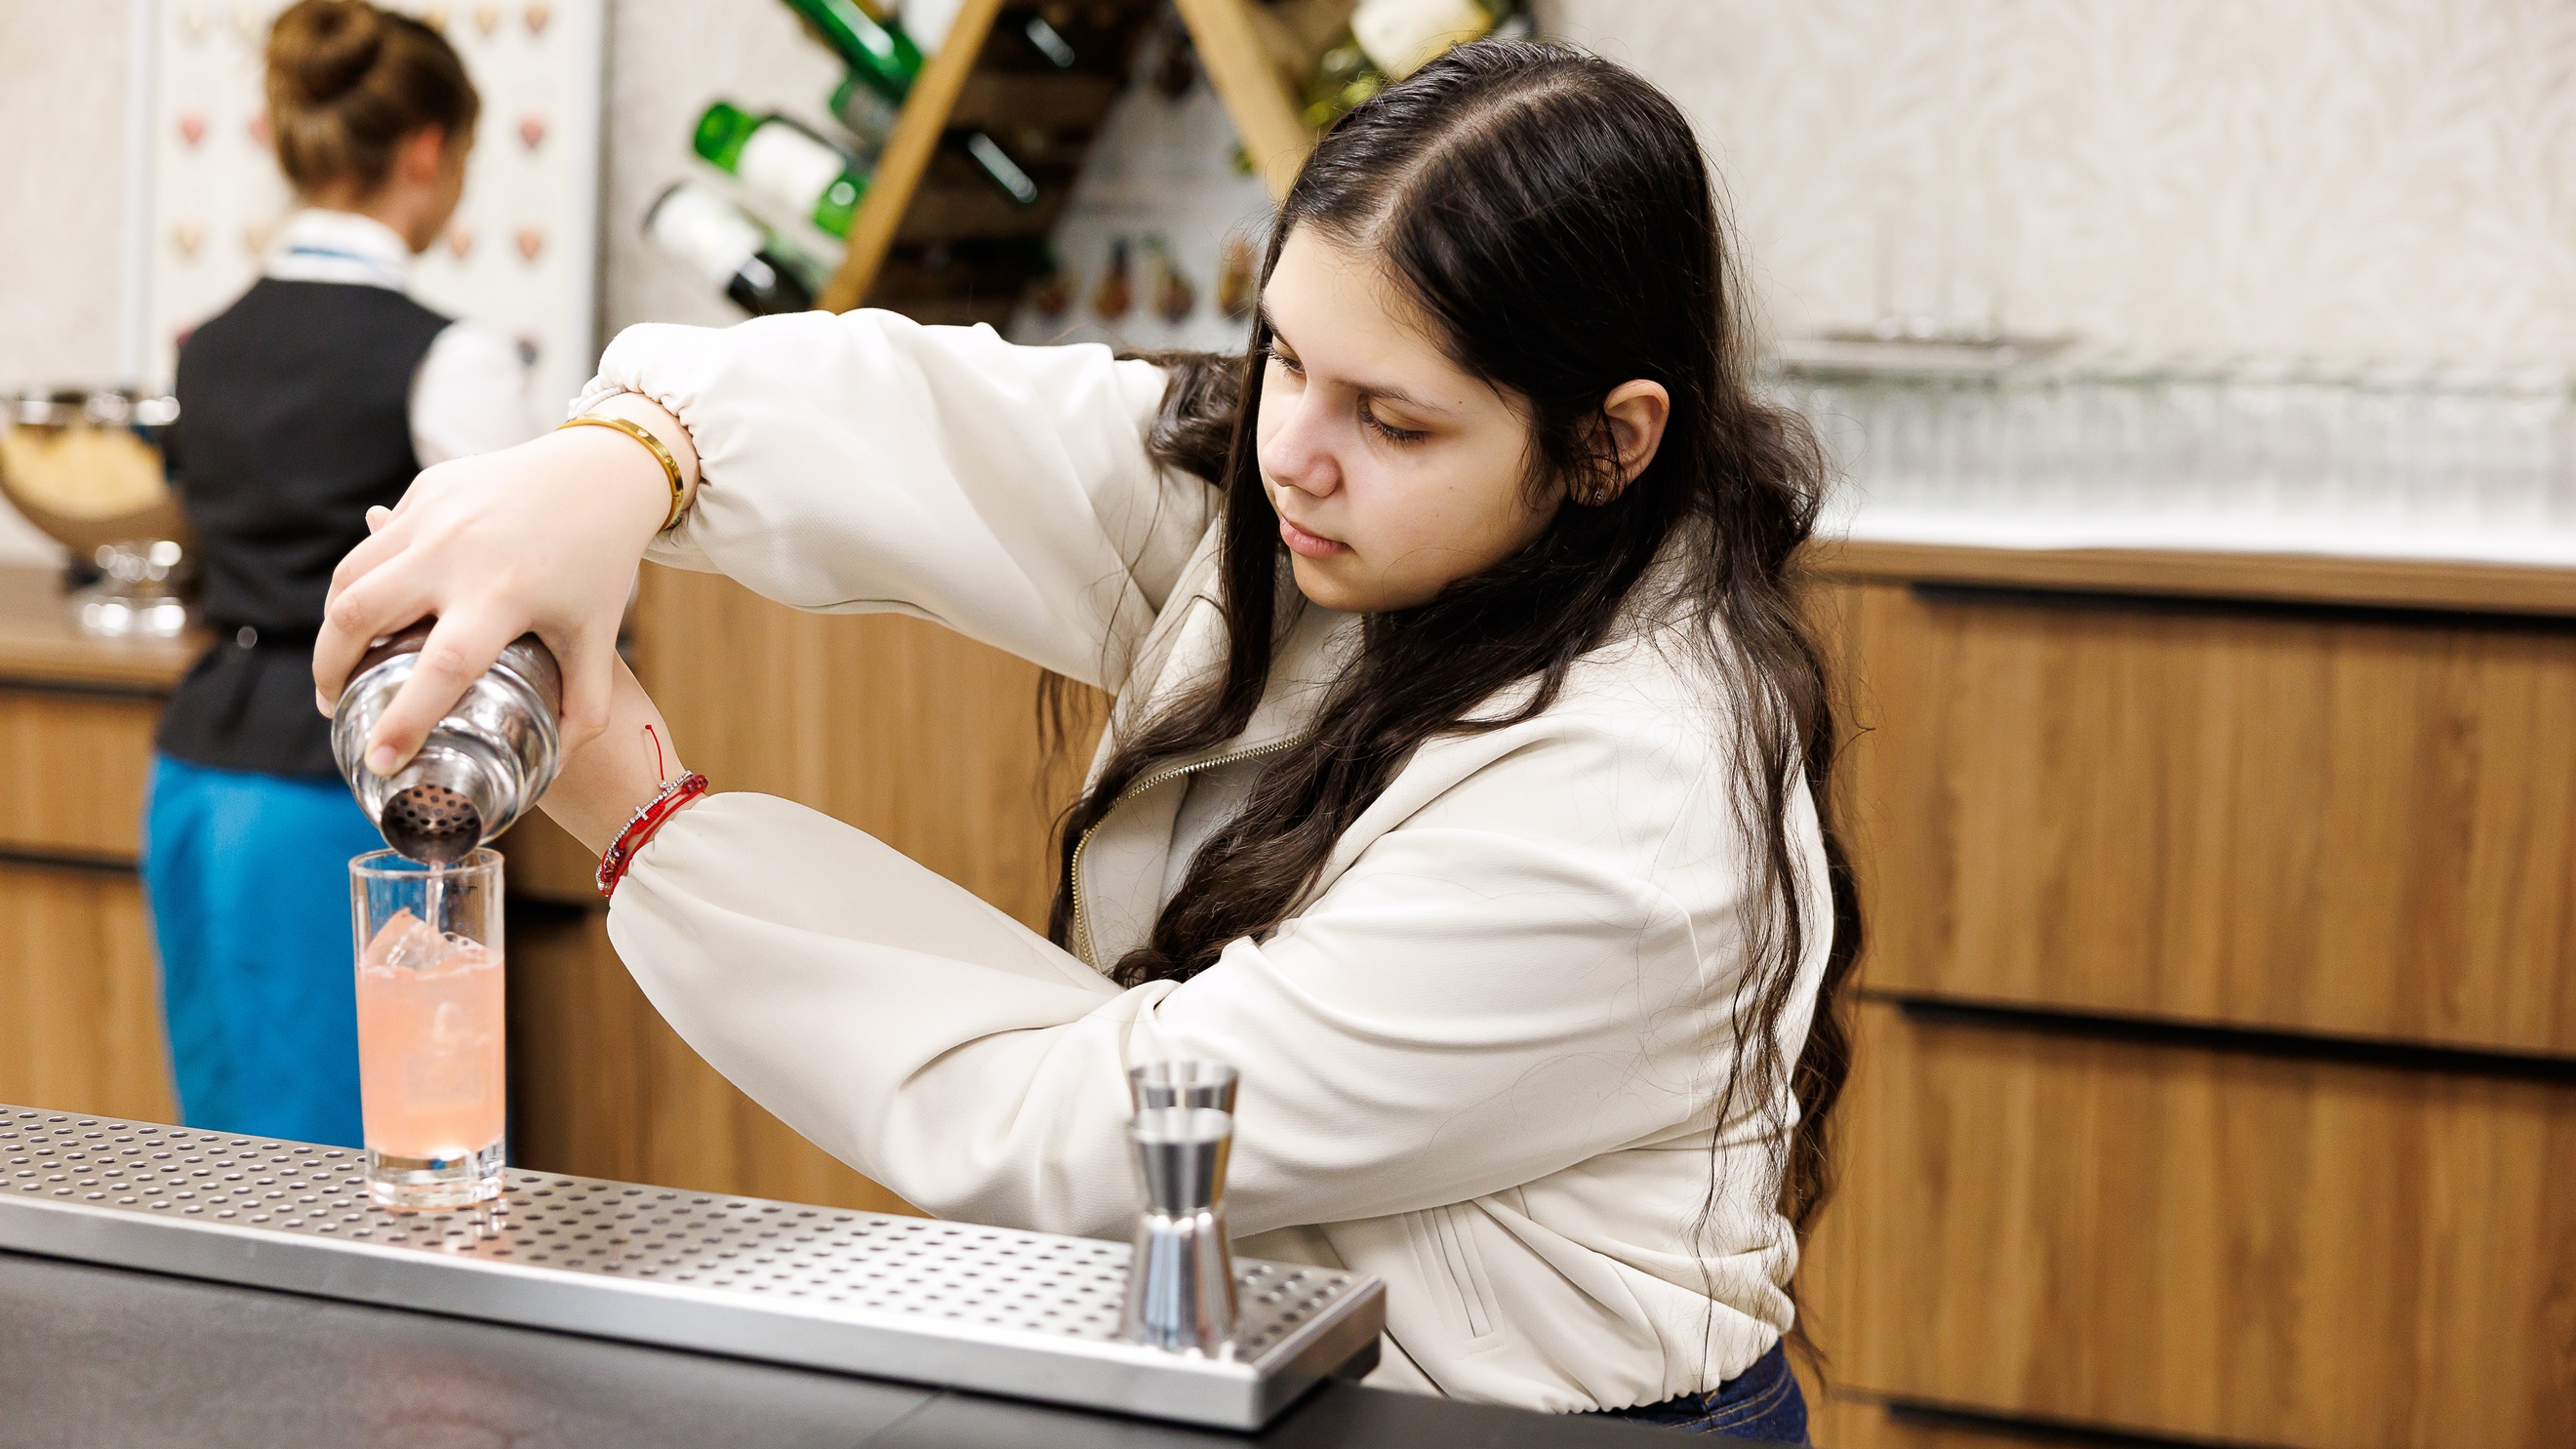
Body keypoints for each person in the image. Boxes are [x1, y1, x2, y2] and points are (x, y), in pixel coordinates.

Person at [318, 41, 1856, 1437]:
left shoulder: (1630, 802)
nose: (1293, 457)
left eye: (1396, 421)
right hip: (1295, 1368)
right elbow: (961, 422)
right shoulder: (1353, 526)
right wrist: (619, 460)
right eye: (1286, 358)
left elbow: (1111, 1126)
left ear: (1610, 439)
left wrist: (650, 816)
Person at [145, 0, 536, 1148]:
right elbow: (521, 582)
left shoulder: (205, 345)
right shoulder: (451, 357)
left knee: (231, 1157)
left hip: (193, 778)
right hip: (350, 793)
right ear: (427, 149)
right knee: (384, 1155)